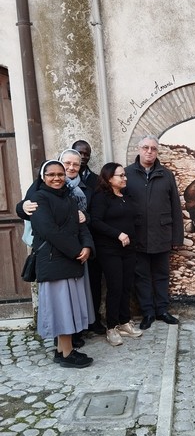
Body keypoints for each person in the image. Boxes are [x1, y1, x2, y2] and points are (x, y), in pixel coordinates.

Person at [29, 160, 95, 368]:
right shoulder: (39, 198)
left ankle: (61, 351)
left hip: (71, 261)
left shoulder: (69, 197)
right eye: (51, 174)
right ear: (43, 177)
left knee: (69, 308)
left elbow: (81, 225)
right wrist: (77, 251)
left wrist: (87, 247)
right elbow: (49, 231)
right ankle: (67, 354)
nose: (56, 178)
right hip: (54, 262)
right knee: (62, 309)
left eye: (60, 174)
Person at [125, 135, 184, 329]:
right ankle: (147, 312)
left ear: (157, 151)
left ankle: (162, 310)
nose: (149, 152)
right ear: (139, 149)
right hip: (138, 235)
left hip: (161, 234)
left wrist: (177, 237)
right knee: (141, 276)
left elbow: (175, 206)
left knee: (161, 274)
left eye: (153, 148)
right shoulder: (127, 174)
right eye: (145, 148)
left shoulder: (166, 174)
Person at [90, 163, 142, 346]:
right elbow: (94, 222)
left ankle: (124, 322)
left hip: (128, 250)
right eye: (120, 176)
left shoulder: (125, 197)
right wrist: (117, 234)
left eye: (125, 175)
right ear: (109, 178)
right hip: (109, 250)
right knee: (115, 287)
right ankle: (111, 327)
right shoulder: (101, 198)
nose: (125, 178)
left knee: (126, 286)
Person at [72, 139, 105, 334]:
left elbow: (99, 208)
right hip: (68, 241)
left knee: (93, 281)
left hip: (91, 237)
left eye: (86, 153)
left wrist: (88, 218)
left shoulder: (95, 180)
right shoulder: (58, 177)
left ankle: (94, 320)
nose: (83, 156)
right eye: (79, 153)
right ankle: (77, 325)